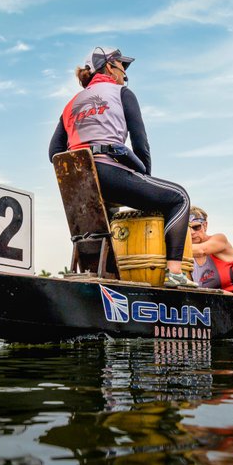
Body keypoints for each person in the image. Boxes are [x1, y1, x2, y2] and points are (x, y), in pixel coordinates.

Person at [49, 47, 195, 287]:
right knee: (179, 198)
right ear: (109, 66)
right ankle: (175, 273)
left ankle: (106, 275)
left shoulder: (70, 104)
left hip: (79, 187)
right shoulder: (121, 92)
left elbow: (54, 154)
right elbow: (140, 142)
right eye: (122, 69)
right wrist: (144, 173)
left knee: (109, 213)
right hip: (111, 174)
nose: (124, 75)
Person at [187, 207, 233, 294]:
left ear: (205, 225)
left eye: (196, 227)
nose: (191, 232)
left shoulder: (220, 239)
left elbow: (201, 251)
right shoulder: (188, 256)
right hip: (213, 302)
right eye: (187, 228)